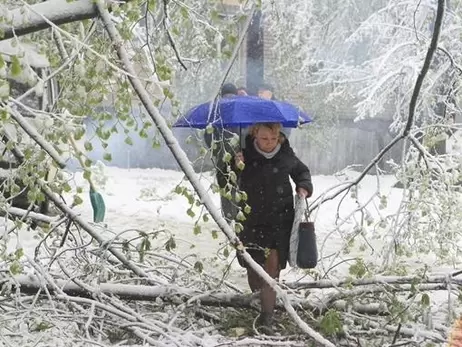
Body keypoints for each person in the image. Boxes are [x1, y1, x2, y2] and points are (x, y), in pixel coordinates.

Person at [233, 122, 313, 334]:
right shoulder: (244, 154)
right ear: (255, 134)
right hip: (251, 219)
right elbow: (226, 182)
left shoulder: (285, 155)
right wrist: (235, 166)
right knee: (253, 267)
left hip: (279, 221)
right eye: (264, 138)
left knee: (272, 268)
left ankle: (267, 317)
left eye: (273, 139)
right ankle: (260, 302)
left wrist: (303, 186)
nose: (269, 143)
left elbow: (302, 171)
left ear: (279, 137)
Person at [204, 83, 240, 222]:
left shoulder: (240, 114)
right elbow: (208, 136)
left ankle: (239, 217)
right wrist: (218, 150)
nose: (229, 99)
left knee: (239, 188)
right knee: (225, 189)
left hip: (239, 159)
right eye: (227, 96)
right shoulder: (216, 115)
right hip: (222, 160)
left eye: (232, 96)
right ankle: (228, 218)